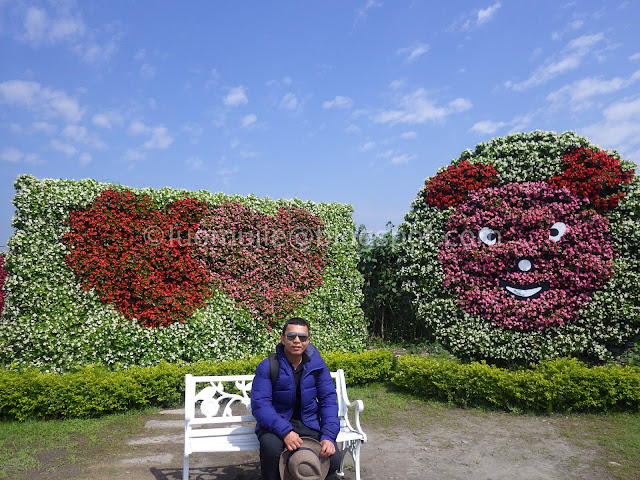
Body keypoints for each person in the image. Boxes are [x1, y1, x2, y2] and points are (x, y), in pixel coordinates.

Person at [251, 317, 342, 480]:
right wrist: (285, 432)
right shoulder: (268, 366)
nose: (297, 341)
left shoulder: (318, 366)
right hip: (276, 423)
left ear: (308, 340)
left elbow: (328, 401)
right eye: (291, 336)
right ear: (282, 338)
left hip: (308, 422)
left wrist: (328, 436)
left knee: (333, 458)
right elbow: (261, 405)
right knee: (271, 450)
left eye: (302, 337)